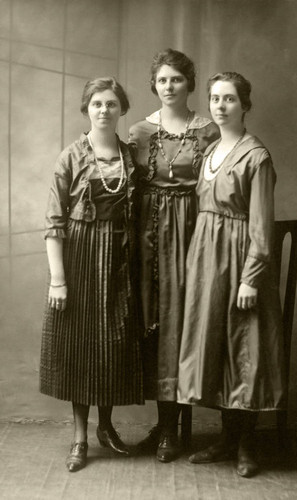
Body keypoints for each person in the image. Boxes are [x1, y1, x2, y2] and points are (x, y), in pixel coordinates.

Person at [177, 72, 286, 477]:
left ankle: (246, 444)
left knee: (246, 348)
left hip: (240, 259)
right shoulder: (210, 153)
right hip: (208, 260)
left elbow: (261, 225)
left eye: (229, 99)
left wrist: (250, 278)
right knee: (217, 345)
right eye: (215, 99)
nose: (220, 106)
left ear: (245, 105)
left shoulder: (256, 156)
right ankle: (224, 438)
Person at [40, 77, 143, 472]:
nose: (104, 110)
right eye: (97, 104)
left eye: (112, 104)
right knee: (82, 348)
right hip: (80, 257)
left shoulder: (130, 156)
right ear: (87, 109)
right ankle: (80, 437)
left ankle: (107, 427)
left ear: (122, 109)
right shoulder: (70, 156)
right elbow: (53, 222)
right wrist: (58, 279)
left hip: (118, 259)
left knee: (113, 343)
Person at [128, 48, 220, 463]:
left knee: (184, 322)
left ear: (189, 83)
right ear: (154, 85)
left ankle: (173, 428)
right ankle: (164, 425)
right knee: (156, 321)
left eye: (176, 79)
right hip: (148, 234)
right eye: (162, 80)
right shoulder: (138, 132)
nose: (169, 87)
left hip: (193, 229)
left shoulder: (209, 131)